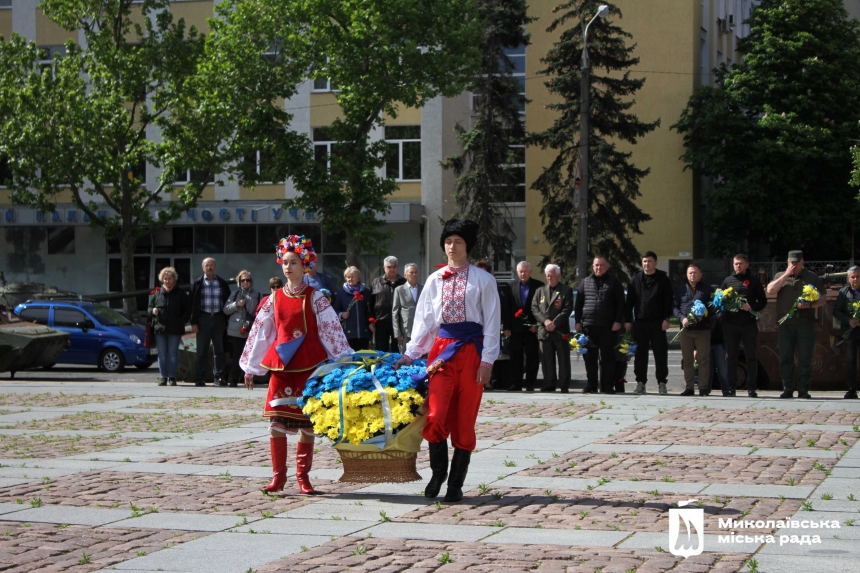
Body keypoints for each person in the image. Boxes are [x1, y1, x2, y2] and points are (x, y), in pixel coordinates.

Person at [395, 219, 500, 503]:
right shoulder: (434, 280)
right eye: (449, 242)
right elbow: (425, 322)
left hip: (472, 352)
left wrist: (488, 360)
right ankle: (437, 472)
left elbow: (492, 322)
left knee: (464, 420)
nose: (452, 247)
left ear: (468, 246)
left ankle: (456, 483)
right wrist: (411, 353)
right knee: (436, 415)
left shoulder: (483, 280)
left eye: (459, 242)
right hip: (441, 352)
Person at [240, 235, 352, 495]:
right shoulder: (274, 298)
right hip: (280, 368)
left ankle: (303, 478)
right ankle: (278, 477)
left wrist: (343, 359)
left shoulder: (316, 298)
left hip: (308, 366)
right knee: (276, 423)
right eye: (285, 262)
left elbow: (330, 330)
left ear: (306, 266)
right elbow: (261, 334)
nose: (288, 267)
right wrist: (251, 367)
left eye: (294, 263)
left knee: (307, 424)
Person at [767, 251, 825, 399]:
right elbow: (770, 290)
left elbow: (822, 299)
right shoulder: (781, 275)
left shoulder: (812, 277)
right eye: (791, 262)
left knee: (805, 357)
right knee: (786, 357)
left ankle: (803, 390)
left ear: (802, 262)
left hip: (805, 324)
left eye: (797, 263)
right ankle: (788, 388)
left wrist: (809, 306)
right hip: (785, 324)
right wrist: (786, 275)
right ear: (787, 262)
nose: (794, 265)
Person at [625, 251, 674, 395]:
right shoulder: (636, 279)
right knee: (640, 355)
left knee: (660, 353)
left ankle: (662, 383)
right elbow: (629, 303)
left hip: (658, 322)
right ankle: (640, 382)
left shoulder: (663, 279)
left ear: (656, 263)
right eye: (645, 261)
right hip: (640, 322)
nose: (647, 264)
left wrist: (666, 318)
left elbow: (668, 300)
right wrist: (628, 320)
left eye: (650, 261)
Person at [575, 256, 625, 393]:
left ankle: (607, 386)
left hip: (608, 327)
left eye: (602, 265)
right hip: (589, 326)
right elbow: (578, 304)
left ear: (607, 266)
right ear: (592, 266)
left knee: (608, 358)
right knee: (590, 358)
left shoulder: (614, 282)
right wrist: (578, 321)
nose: (599, 268)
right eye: (596, 265)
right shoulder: (585, 282)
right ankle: (591, 385)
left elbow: (621, 304)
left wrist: (617, 321)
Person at [721, 253, 768, 397]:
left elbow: (763, 301)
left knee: (751, 356)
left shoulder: (753, 281)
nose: (738, 266)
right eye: (736, 264)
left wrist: (751, 308)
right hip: (731, 324)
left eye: (741, 263)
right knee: (732, 356)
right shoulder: (728, 281)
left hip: (748, 324)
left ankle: (751, 387)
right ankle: (731, 387)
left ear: (746, 265)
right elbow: (720, 300)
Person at [189, 257, 231, 386]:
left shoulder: (222, 283)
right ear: (203, 268)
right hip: (203, 318)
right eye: (207, 265)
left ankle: (219, 377)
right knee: (202, 350)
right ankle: (200, 377)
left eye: (212, 265)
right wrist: (194, 322)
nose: (209, 267)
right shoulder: (197, 283)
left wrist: (226, 322)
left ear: (215, 267)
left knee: (219, 350)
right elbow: (192, 304)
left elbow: (228, 302)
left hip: (218, 318)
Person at [531, 264, 573, 393]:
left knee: (563, 359)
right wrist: (545, 321)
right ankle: (549, 383)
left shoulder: (566, 290)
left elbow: (567, 309)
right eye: (547, 275)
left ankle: (564, 384)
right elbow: (534, 308)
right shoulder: (540, 291)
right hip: (544, 332)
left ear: (559, 276)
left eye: (552, 275)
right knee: (546, 359)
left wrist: (554, 323)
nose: (549, 278)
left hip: (559, 331)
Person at [673, 263, 713, 396]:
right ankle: (689, 387)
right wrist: (682, 318)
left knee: (703, 359)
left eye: (695, 273)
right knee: (687, 359)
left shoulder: (707, 289)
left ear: (700, 275)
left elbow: (713, 308)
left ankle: (703, 388)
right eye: (690, 273)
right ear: (687, 275)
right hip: (686, 330)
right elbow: (675, 308)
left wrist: (705, 315)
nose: (692, 275)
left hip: (702, 330)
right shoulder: (680, 290)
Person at [148, 267, 190, 386]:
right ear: (162, 280)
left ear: (174, 279)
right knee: (161, 354)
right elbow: (149, 308)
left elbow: (187, 311)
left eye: (169, 278)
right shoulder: (157, 293)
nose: (167, 281)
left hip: (175, 329)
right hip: (159, 329)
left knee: (172, 353)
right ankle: (163, 377)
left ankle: (172, 377)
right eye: (165, 279)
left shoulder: (181, 293)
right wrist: (153, 310)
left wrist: (180, 321)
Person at [506, 261, 544, 392]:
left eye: (525, 271)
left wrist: (536, 324)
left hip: (531, 329)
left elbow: (541, 308)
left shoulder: (539, 286)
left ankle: (530, 383)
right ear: (517, 272)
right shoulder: (510, 286)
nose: (523, 274)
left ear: (530, 271)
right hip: (515, 328)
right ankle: (516, 383)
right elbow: (507, 308)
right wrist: (506, 327)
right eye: (520, 271)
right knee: (515, 356)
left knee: (532, 357)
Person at [224, 270, 262, 388]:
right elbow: (225, 309)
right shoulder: (235, 294)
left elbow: (260, 311)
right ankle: (234, 380)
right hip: (236, 330)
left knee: (251, 356)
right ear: (239, 282)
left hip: (250, 329)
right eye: (243, 280)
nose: (245, 282)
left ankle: (249, 380)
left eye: (248, 280)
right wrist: (237, 304)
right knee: (237, 355)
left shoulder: (257, 294)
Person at [369, 256, 406, 352]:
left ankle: (397, 367)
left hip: (399, 323)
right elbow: (370, 303)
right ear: (384, 268)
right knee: (381, 351)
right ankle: (381, 367)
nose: (392, 269)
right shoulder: (376, 283)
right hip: (381, 322)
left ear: (398, 267)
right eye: (389, 267)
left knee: (397, 351)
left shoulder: (404, 283)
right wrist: (370, 321)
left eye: (394, 266)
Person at [833, 266, 860, 399]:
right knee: (850, 360)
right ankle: (852, 389)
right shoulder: (844, 292)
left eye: (858, 276)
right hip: (850, 332)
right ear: (848, 278)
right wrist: (848, 320)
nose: (855, 279)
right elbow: (836, 311)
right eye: (853, 277)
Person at [332, 266, 373, 351]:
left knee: (363, 357)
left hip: (363, 331)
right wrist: (341, 315)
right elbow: (334, 310)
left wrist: (371, 322)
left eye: (353, 277)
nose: (350, 279)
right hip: (348, 333)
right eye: (348, 277)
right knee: (350, 358)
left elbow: (370, 309)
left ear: (358, 278)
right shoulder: (341, 293)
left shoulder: (366, 291)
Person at [392, 263, 423, 353]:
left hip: (420, 329)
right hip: (405, 330)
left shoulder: (423, 289)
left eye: (416, 272)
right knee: (405, 355)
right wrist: (397, 332)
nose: (414, 275)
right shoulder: (399, 290)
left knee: (419, 355)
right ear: (405, 275)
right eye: (411, 272)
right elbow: (395, 312)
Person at [710, 312, 729, 396]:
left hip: (719, 344)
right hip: (707, 343)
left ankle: (726, 390)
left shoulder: (722, 313)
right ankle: (705, 390)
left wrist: (727, 348)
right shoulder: (704, 310)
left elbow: (725, 332)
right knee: (708, 370)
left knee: (722, 370)